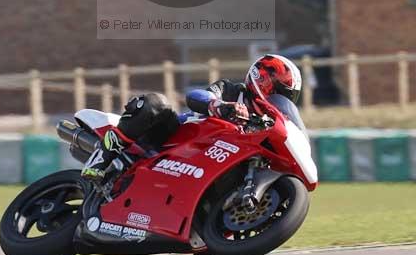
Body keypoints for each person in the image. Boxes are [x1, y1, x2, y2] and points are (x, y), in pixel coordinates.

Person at [81, 54, 305, 183]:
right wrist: (219, 106)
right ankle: (102, 157)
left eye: (287, 98)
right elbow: (196, 96)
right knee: (156, 103)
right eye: (280, 92)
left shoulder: (267, 123)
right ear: (263, 80)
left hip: (205, 165)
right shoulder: (231, 90)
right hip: (173, 139)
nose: (281, 100)